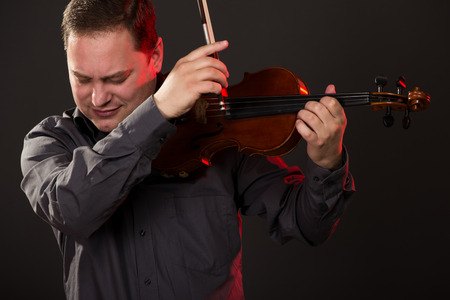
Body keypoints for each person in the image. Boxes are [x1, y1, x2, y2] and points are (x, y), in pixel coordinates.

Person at [20, 0, 355, 299]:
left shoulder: (212, 123)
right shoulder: (51, 142)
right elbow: (74, 209)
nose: (98, 98)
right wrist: (157, 112)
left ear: (155, 56)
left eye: (116, 78)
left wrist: (327, 163)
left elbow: (307, 225)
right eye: (82, 79)